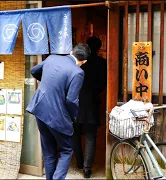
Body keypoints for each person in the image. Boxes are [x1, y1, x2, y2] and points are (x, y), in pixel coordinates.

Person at [26, 43, 91, 180]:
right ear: (84, 61)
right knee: (66, 151)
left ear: (72, 51)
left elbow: (34, 71)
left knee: (49, 150)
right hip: (58, 116)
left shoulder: (52, 58)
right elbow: (71, 100)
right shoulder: (78, 72)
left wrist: (48, 83)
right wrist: (73, 118)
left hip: (40, 111)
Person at [72, 36, 107, 178]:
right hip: (91, 102)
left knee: (75, 135)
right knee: (90, 137)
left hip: (75, 102)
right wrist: (94, 93)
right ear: (99, 48)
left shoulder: (77, 62)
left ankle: (79, 162)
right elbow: (103, 83)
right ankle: (87, 169)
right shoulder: (102, 63)